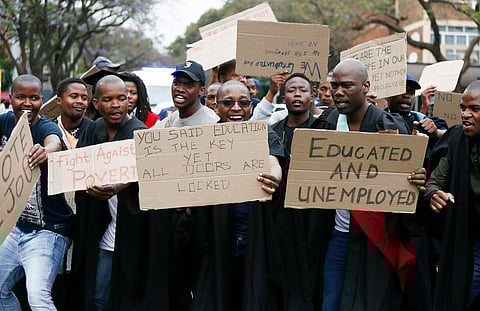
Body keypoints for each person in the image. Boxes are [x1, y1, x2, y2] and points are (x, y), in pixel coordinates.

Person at [311, 58, 426, 311]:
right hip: (338, 235)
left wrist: (417, 178)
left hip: (377, 237)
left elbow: (408, 179)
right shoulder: (326, 125)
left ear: (366, 86)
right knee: (331, 301)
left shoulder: (389, 127)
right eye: (334, 86)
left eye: (347, 86)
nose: (338, 92)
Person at [189, 80, 285, 310]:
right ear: (215, 106)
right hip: (215, 238)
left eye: (243, 103)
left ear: (251, 107)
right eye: (228, 103)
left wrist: (274, 178)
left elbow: (273, 162)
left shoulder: (262, 134)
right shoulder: (202, 140)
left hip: (253, 236)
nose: (236, 108)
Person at [70, 75, 147, 311]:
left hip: (131, 228)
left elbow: (147, 176)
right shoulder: (93, 129)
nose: (116, 105)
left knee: (125, 293)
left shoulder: (140, 133)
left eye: (122, 99)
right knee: (98, 294)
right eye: (108, 99)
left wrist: (118, 187)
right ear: (96, 104)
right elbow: (78, 168)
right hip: (101, 225)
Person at [0, 74, 73, 310]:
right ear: (11, 98)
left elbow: (55, 142)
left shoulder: (46, 127)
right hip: (15, 228)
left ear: (42, 100)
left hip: (48, 231)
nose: (27, 103)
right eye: (21, 97)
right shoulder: (3, 122)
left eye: (34, 98)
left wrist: (45, 150)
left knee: (37, 296)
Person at [426, 80, 480, 310]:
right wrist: (433, 194)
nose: (465, 115)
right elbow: (434, 182)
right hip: (471, 241)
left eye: (474, 109)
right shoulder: (457, 138)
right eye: (462, 108)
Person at [157, 60, 219, 128]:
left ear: (201, 90)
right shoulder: (173, 119)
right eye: (176, 83)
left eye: (189, 85)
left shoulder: (212, 122)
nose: (180, 89)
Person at [270, 73, 318, 152]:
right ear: (284, 99)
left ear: (311, 98)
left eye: (303, 90)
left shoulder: (323, 129)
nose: (297, 94)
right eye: (291, 90)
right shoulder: (273, 132)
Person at [53, 77, 93, 149]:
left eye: (84, 98)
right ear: (59, 100)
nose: (80, 101)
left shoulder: (92, 129)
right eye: (74, 96)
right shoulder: (50, 128)